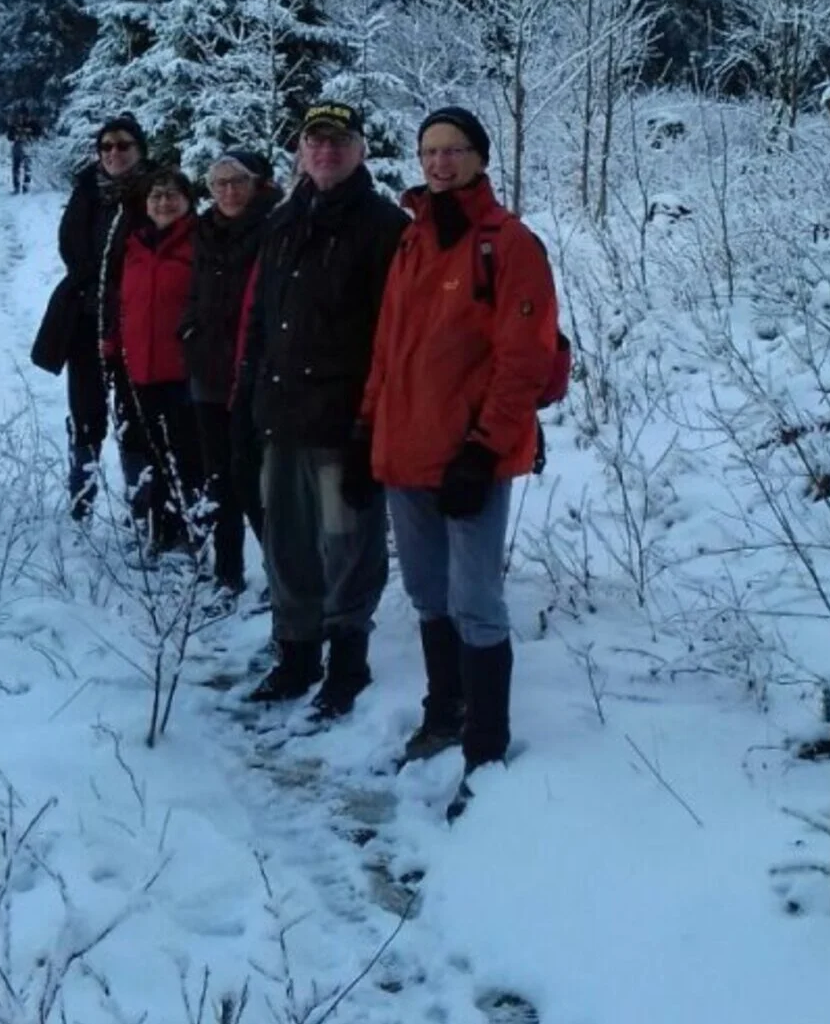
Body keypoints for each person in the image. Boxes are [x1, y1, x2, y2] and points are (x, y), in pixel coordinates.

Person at [355, 107, 559, 819]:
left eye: (454, 149)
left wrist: (482, 447)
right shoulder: (413, 240)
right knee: (427, 591)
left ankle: (486, 742)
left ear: (480, 157)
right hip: (404, 450)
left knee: (476, 599)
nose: (439, 162)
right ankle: (442, 712)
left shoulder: (508, 243)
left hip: (468, 455)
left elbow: (524, 356)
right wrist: (368, 427)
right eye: (429, 149)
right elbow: (389, 347)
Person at [235, 102, 406, 719]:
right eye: (315, 141)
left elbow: (395, 336)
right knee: (287, 543)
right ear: (300, 152)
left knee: (347, 545)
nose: (327, 151)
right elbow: (260, 319)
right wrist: (246, 396)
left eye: (340, 141)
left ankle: (347, 662)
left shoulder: (385, 227)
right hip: (281, 416)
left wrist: (371, 426)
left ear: (361, 150)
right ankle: (296, 653)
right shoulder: (281, 223)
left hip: (343, 423)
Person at [31, 114, 153, 520]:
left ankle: (142, 509)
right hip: (85, 319)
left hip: (137, 322)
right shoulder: (87, 190)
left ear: (140, 150)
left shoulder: (155, 193)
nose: (114, 153)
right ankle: (80, 501)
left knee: (135, 417)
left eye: (123, 146)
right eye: (106, 147)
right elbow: (71, 246)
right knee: (85, 412)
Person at [179, 149, 281, 594]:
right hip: (208, 368)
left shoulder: (276, 227)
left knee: (254, 479)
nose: (228, 190)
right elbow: (196, 289)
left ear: (256, 183)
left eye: (237, 181)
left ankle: (282, 577)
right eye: (219, 182)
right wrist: (189, 327)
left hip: (255, 372)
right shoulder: (205, 229)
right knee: (218, 475)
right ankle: (228, 571)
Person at [105, 168, 202, 550]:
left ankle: (190, 532)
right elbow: (120, 301)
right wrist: (112, 344)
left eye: (172, 195)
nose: (164, 203)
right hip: (136, 371)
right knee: (147, 455)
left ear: (188, 200)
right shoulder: (134, 245)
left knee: (184, 458)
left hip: (181, 372)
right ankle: (157, 530)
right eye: (156, 196)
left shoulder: (200, 243)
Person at [6, 106, 42, 194]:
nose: (23, 118)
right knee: (16, 168)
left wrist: (29, 132)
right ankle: (16, 187)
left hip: (28, 146)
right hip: (17, 147)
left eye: (25, 116)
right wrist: (15, 135)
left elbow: (39, 132)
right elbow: (9, 137)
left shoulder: (32, 124)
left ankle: (26, 186)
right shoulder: (15, 124)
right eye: (21, 116)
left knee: (27, 168)